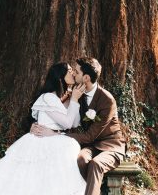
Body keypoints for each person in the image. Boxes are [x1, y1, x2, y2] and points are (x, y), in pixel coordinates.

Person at [0, 62, 86, 195]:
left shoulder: (62, 98)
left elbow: (74, 122)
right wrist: (75, 100)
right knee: (35, 181)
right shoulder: (48, 97)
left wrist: (73, 100)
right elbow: (67, 124)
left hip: (53, 138)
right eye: (69, 70)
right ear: (60, 76)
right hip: (41, 141)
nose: (72, 72)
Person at [32, 57, 125, 195]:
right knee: (80, 159)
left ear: (86, 78)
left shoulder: (107, 100)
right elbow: (53, 109)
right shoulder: (76, 92)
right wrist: (37, 125)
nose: (73, 73)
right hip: (89, 145)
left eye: (76, 71)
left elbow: (90, 135)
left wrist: (56, 135)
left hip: (110, 145)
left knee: (95, 164)